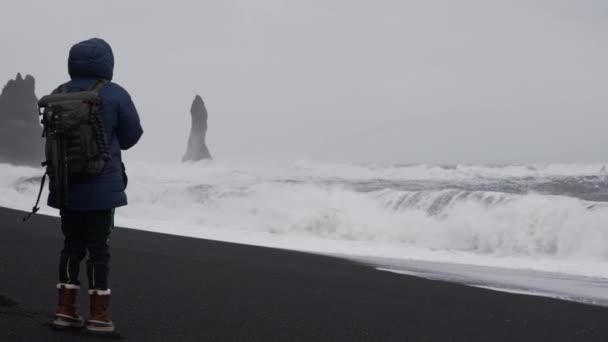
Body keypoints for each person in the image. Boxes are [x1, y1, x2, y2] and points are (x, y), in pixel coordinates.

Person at [50, 38, 143, 333]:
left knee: (71, 245)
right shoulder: (115, 94)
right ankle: (99, 316)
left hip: (66, 185)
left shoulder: (58, 93)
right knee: (98, 248)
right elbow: (131, 136)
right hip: (102, 187)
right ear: (108, 63)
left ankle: (64, 310)